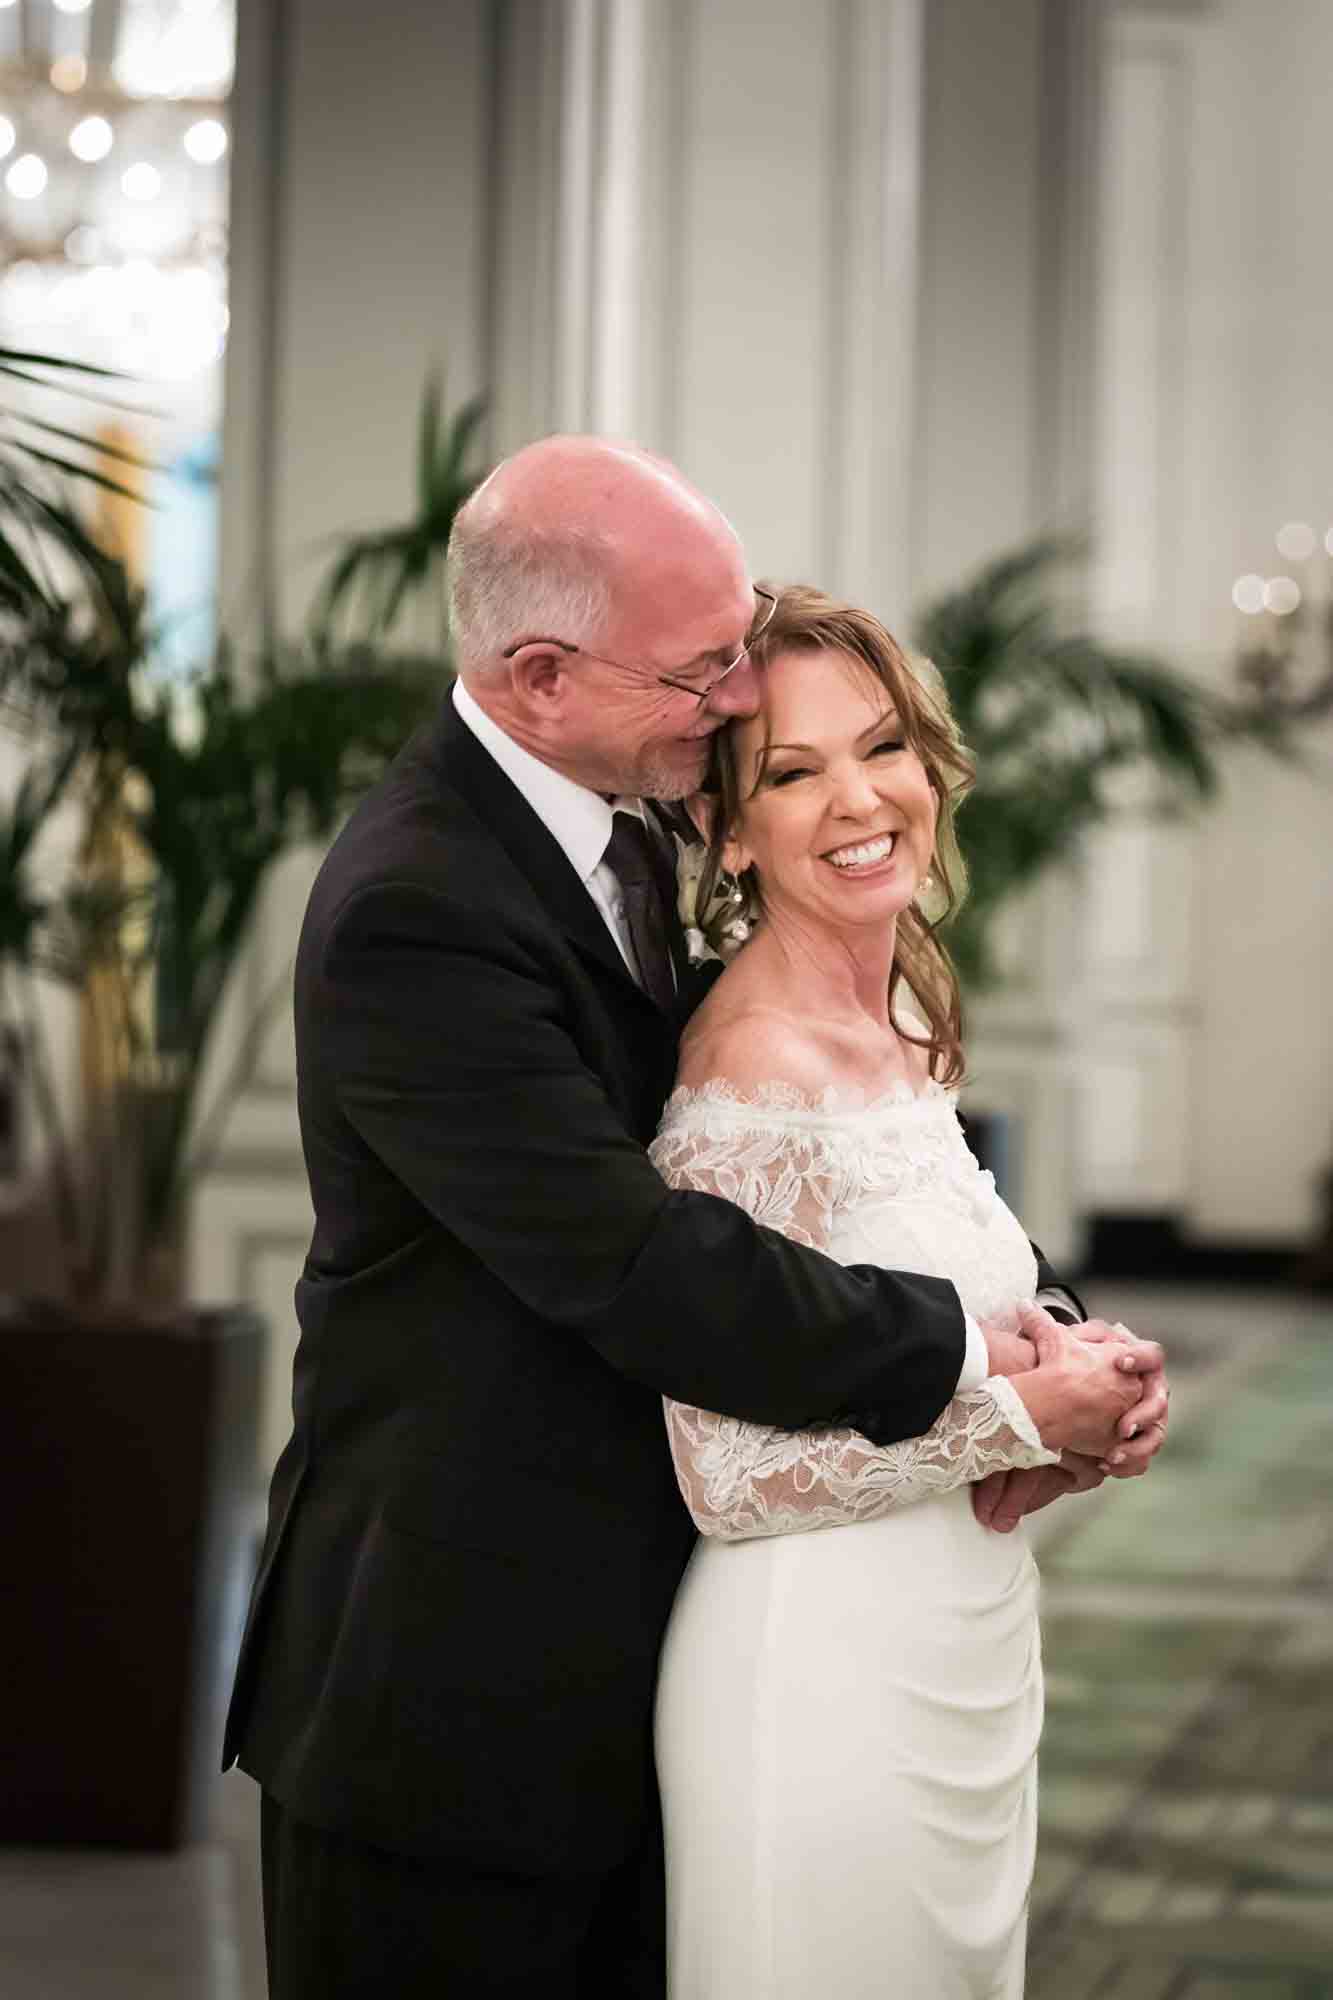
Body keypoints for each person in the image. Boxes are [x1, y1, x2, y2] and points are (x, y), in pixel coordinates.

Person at [222, 437, 1167, 1998]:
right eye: (701, 670)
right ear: (536, 676)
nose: (735, 700)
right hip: (456, 1690)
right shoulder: (416, 907)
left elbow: (850, 1186)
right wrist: (983, 1380)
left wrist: (1057, 1356)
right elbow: (638, 1261)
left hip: (652, 1654)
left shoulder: (633, 829)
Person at [650, 584, 1152, 1997]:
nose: (859, 798)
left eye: (881, 747)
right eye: (792, 773)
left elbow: (940, 1299)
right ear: (725, 829)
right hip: (814, 1667)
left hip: (964, 1633)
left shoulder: (904, 1014)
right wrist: (1018, 1419)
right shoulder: (743, 1080)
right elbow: (727, 1477)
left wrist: (1092, 1376)